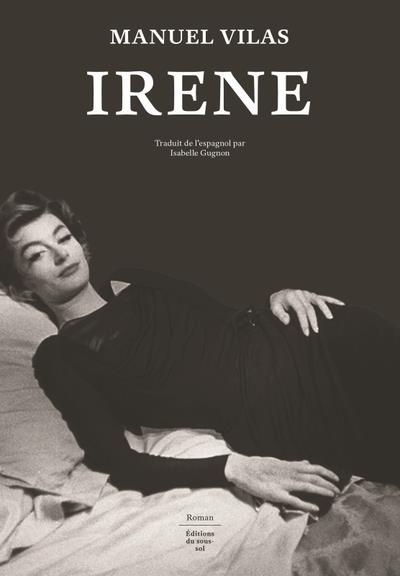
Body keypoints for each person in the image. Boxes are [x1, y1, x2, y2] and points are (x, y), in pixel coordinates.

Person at [1, 190, 399, 516]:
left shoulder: (132, 278)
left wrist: (278, 295)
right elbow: (116, 462)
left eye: (63, 237)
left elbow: (228, 316)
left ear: (79, 241)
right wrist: (234, 467)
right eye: (36, 254)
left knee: (368, 337)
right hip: (271, 407)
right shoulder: (58, 357)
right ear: (22, 286)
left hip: (301, 336)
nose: (60, 254)